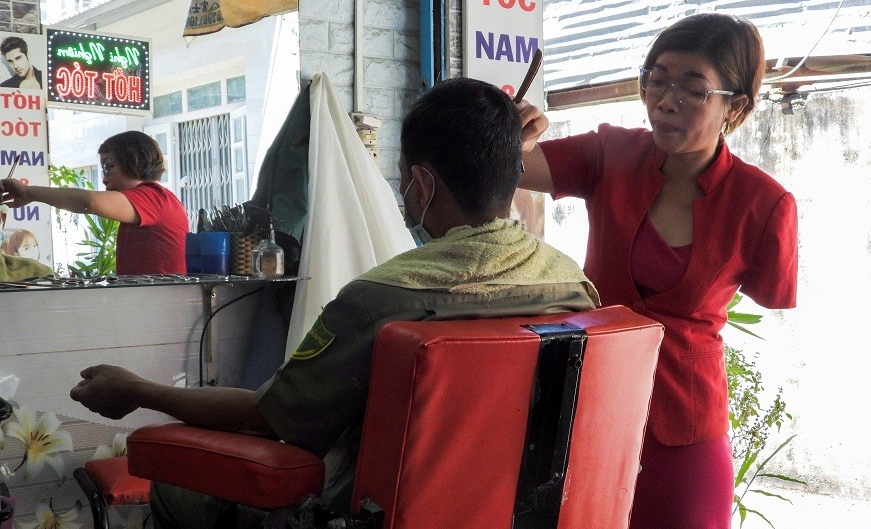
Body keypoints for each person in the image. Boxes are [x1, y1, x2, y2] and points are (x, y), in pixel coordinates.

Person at [68, 77, 600, 528]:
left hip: (367, 513)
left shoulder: (381, 300)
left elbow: (267, 420)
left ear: (423, 183)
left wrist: (139, 390)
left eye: (404, 180)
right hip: (517, 509)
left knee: (175, 491)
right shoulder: (571, 285)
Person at [518, 13, 798, 529]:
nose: (665, 101)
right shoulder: (611, 153)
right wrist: (512, 131)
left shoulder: (763, 203)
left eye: (693, 90)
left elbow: (775, 294)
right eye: (657, 79)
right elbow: (512, 166)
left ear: (734, 106)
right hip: (590, 406)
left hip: (685, 427)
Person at [1, 131, 189, 275]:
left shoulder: (153, 197)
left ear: (134, 160)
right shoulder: (150, 200)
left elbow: (88, 202)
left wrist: (29, 192)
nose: (105, 179)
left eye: (109, 166)